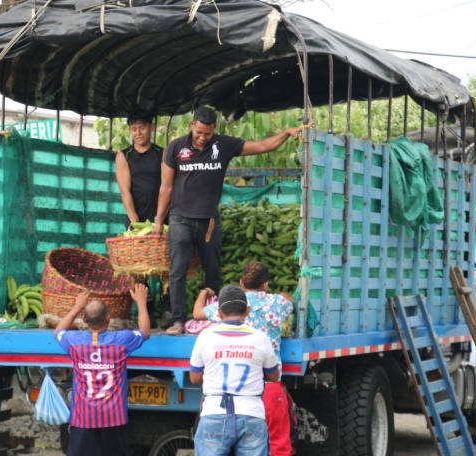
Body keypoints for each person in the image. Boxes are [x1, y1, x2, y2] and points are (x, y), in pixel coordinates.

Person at [153, 106, 301, 335]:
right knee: (177, 271)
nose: (202, 138)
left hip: (209, 221)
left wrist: (286, 133)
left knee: (212, 272)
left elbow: (262, 146)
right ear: (192, 125)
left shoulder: (224, 145)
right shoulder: (175, 147)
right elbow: (166, 186)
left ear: (215, 130)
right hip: (180, 218)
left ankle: (215, 319)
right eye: (199, 132)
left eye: (208, 134)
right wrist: (158, 222)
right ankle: (178, 320)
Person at [192, 261, 294, 456]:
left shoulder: (224, 310)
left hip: (218, 403)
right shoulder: (275, 305)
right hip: (263, 395)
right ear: (265, 284)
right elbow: (291, 302)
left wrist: (205, 293)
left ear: (241, 282)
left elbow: (197, 313)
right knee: (279, 447)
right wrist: (283, 295)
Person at [54, 284, 150, 456]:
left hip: (83, 418)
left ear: (84, 320)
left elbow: (58, 331)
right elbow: (144, 332)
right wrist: (141, 303)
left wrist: (76, 307)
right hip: (114, 418)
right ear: (108, 318)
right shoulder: (121, 340)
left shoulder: (74, 341)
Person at [115, 109, 171, 326]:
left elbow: (167, 186)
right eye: (134, 128)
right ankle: (145, 313)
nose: (138, 132)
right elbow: (125, 191)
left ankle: (167, 310)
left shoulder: (162, 153)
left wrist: (159, 218)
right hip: (136, 221)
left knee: (165, 265)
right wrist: (135, 223)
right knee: (139, 269)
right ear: (130, 130)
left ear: (151, 127)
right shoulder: (124, 155)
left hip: (162, 219)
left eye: (142, 127)